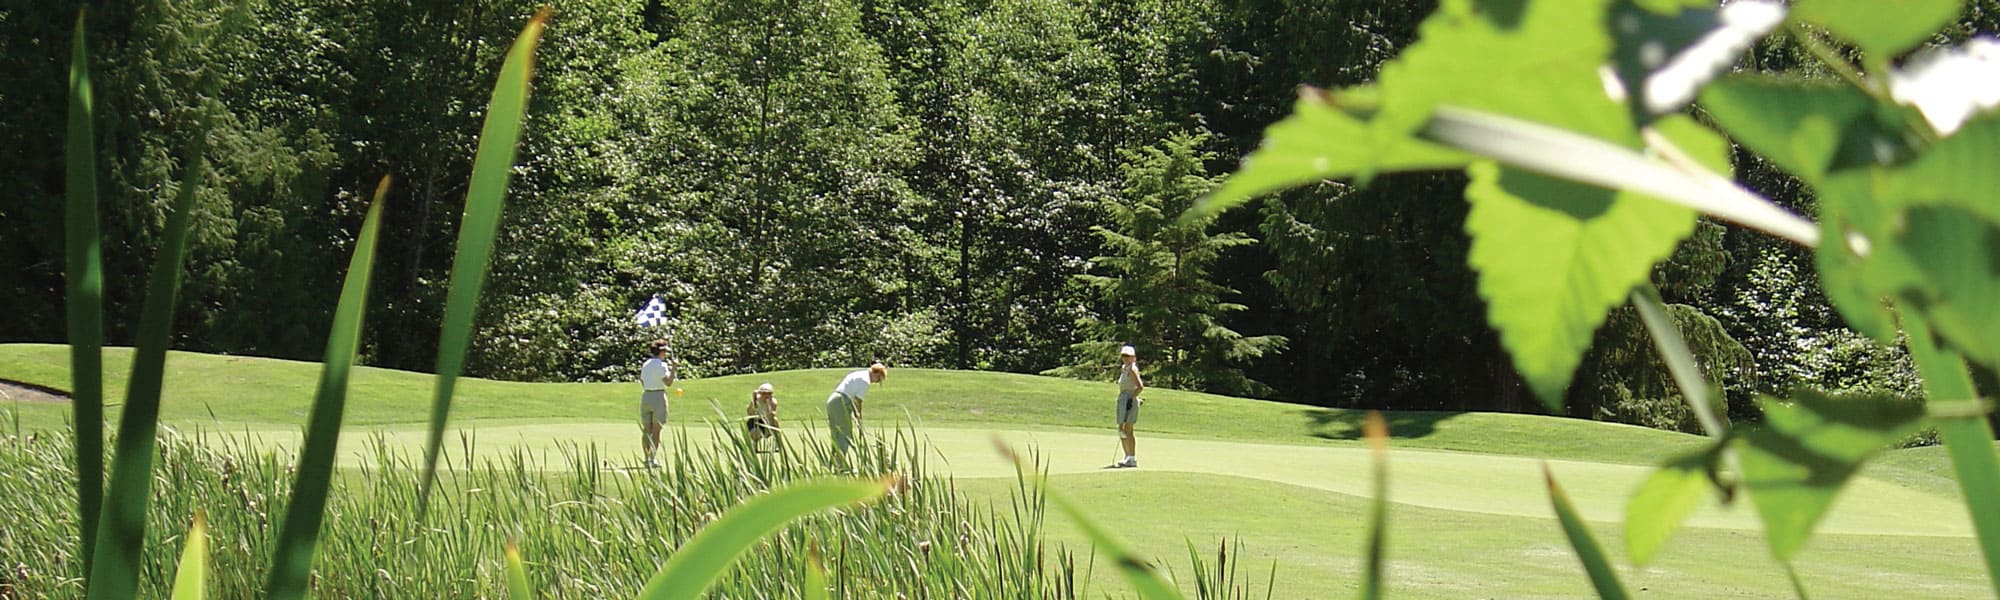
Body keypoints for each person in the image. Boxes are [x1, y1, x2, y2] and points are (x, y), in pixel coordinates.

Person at [825, 363, 885, 452]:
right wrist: (859, 417)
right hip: (841, 402)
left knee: (836, 433)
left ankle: (833, 462)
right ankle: (840, 462)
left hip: (833, 400)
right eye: (879, 379)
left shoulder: (858, 373)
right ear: (875, 373)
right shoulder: (865, 381)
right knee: (844, 434)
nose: (877, 382)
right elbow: (858, 401)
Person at [638, 339, 675, 468]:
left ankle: (646, 458)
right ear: (661, 352)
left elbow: (642, 380)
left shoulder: (646, 363)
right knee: (656, 430)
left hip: (646, 395)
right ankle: (651, 459)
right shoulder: (661, 365)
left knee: (646, 430)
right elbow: (668, 382)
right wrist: (674, 368)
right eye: (665, 351)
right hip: (658, 396)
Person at [1114, 345, 1145, 468]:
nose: (1125, 358)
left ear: (1133, 358)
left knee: (1127, 429)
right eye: (1124, 356)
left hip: (1128, 399)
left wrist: (1133, 399)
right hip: (1123, 398)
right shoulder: (1124, 368)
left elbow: (1140, 386)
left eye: (1128, 356)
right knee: (1121, 429)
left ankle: (1131, 457)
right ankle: (1127, 457)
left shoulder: (1132, 369)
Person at [746, 382, 780, 447]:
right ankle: (755, 443)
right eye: (764, 393)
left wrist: (769, 405)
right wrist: (754, 401)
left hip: (767, 421)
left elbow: (772, 414)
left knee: (775, 420)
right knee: (755, 432)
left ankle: (777, 442)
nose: (766, 395)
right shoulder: (756, 401)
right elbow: (749, 413)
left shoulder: (773, 402)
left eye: (769, 393)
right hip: (755, 422)